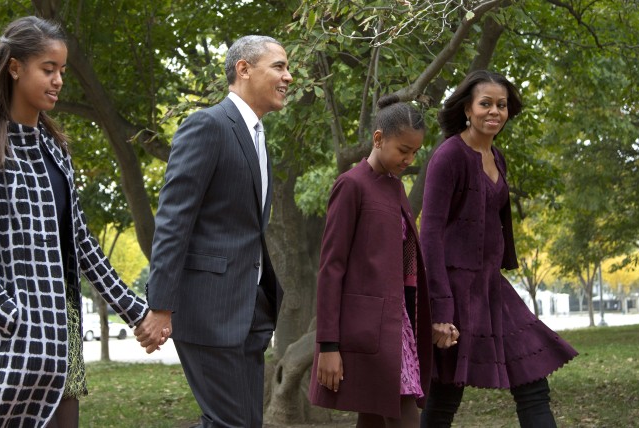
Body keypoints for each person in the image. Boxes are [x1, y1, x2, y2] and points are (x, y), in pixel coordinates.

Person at [0, 16, 159, 428]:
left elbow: (81, 243)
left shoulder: (56, 149)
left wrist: (137, 312)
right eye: (48, 69)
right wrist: (8, 315)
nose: (58, 80)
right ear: (15, 68)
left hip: (59, 329)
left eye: (62, 71)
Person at [134, 35, 291, 427]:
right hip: (209, 311)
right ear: (244, 69)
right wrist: (161, 305)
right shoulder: (207, 125)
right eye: (279, 66)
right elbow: (173, 222)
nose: (288, 77)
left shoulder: (258, 137)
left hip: (251, 312)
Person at [419, 70, 578, 428]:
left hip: (493, 289)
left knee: (532, 381)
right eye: (485, 104)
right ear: (467, 109)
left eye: (502, 105)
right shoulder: (448, 156)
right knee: (443, 396)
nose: (494, 112)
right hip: (455, 292)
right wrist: (440, 310)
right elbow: (428, 234)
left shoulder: (498, 156)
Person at [309, 95, 435, 428]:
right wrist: (328, 346)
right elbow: (331, 269)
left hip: (399, 326)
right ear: (378, 139)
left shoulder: (396, 188)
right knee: (404, 415)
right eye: (403, 150)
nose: (409, 159)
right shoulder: (351, 185)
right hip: (367, 330)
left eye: (415, 152)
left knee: (375, 418)